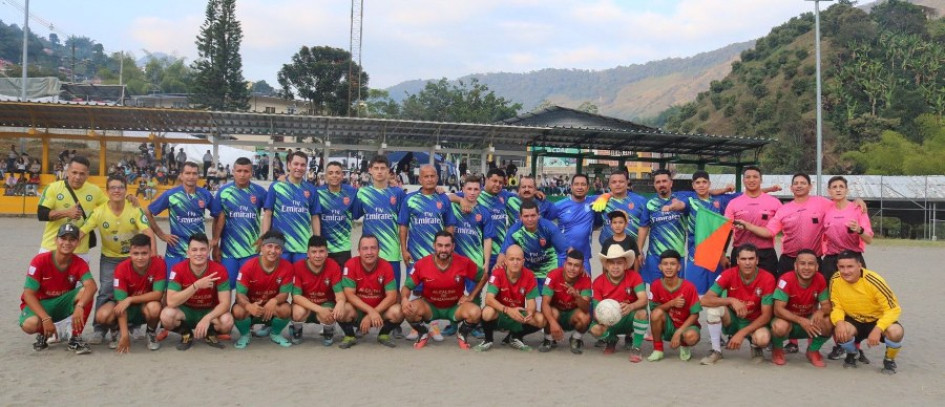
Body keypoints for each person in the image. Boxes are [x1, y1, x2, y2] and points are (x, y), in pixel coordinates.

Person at [79, 175, 155, 344]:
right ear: (107, 191)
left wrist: (154, 258)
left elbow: (148, 232)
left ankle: (134, 325)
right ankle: (99, 328)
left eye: (120, 187)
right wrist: (67, 247)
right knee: (106, 291)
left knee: (136, 291)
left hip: (133, 259)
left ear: (126, 190)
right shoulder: (99, 212)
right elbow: (83, 230)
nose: (117, 190)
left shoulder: (134, 209)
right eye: (113, 187)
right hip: (109, 258)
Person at [18, 224, 97, 354]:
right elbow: (28, 294)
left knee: (86, 292)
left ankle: (75, 338)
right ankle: (44, 334)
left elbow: (92, 286)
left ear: (77, 242)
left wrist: (80, 306)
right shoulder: (40, 260)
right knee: (30, 324)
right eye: (63, 238)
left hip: (61, 303)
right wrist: (45, 318)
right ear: (56, 240)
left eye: (72, 239)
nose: (67, 243)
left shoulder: (79, 262)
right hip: (40, 304)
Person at [401, 231, 484, 349]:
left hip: (455, 306)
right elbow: (407, 287)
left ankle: (462, 333)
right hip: (430, 306)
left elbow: (483, 277)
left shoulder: (464, 262)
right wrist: (404, 299)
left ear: (453, 247)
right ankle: (423, 333)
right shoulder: (421, 264)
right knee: (407, 310)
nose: (443, 249)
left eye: (447, 246)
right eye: (440, 245)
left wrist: (471, 296)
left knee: (475, 313)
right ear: (434, 245)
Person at [699, 244, 775, 365]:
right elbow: (704, 300)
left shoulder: (768, 278)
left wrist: (741, 333)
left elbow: (766, 316)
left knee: (763, 338)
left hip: (754, 321)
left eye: (751, 258)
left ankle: (755, 347)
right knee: (713, 311)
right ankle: (716, 351)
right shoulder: (728, 274)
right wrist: (731, 300)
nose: (747, 263)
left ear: (757, 260)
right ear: (738, 260)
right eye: (744, 259)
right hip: (733, 319)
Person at [829, 251, 904, 374]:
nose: (845, 271)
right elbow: (836, 306)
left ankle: (889, 360)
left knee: (896, 332)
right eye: (841, 267)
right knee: (840, 330)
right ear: (837, 266)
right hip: (854, 320)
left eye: (850, 266)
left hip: (876, 320)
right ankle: (853, 353)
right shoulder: (836, 279)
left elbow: (893, 309)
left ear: (859, 265)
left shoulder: (874, 280)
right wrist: (839, 323)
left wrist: (878, 329)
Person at [160, 233, 234, 351]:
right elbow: (171, 301)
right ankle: (186, 334)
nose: (198, 253)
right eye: (194, 250)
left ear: (208, 250)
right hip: (186, 311)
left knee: (227, 321)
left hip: (209, 310)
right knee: (166, 315)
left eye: (202, 249)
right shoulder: (178, 269)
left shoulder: (219, 270)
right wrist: (196, 286)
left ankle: (210, 333)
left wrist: (207, 318)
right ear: (188, 252)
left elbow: (225, 304)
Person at [93, 234, 165, 353]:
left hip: (143, 305)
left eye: (144, 253)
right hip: (125, 306)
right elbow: (121, 304)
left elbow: (158, 294)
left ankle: (151, 332)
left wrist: (130, 299)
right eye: (136, 253)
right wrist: (125, 336)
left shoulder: (159, 263)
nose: (140, 257)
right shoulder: (121, 268)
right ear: (130, 253)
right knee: (102, 315)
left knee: (155, 307)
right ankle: (116, 332)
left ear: (151, 252)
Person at [352, 155, 406, 304]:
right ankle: (367, 317)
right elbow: (355, 214)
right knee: (368, 288)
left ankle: (393, 323)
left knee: (393, 290)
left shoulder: (397, 193)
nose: (380, 171)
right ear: (370, 170)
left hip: (391, 250)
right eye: (376, 168)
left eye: (383, 168)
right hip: (369, 250)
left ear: (389, 171)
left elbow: (404, 221)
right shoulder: (362, 193)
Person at [146, 162, 214, 275]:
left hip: (198, 251)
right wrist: (161, 235)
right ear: (181, 175)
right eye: (187, 173)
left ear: (198, 176)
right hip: (175, 251)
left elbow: (219, 214)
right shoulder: (171, 195)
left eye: (194, 173)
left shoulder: (205, 194)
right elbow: (148, 212)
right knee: (173, 288)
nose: (191, 177)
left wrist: (215, 239)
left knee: (201, 288)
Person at [36, 156, 107, 263]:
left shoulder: (95, 191)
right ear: (67, 171)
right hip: (51, 248)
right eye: (74, 172)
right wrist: (66, 213)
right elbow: (41, 214)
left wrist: (129, 199)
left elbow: (111, 208)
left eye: (82, 173)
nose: (77, 177)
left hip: (80, 252)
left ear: (87, 174)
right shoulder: (53, 188)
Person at [475, 245, 546, 352]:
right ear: (506, 261)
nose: (515, 262)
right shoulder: (497, 273)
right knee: (487, 312)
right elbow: (489, 299)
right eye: (511, 259)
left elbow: (531, 303)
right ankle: (488, 339)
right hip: (500, 312)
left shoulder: (529, 275)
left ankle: (515, 337)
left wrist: (530, 312)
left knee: (541, 320)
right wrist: (507, 310)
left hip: (518, 313)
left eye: (518, 259)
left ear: (523, 261)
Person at [210, 157, 268, 288]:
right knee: (226, 287)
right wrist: (215, 246)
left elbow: (271, 214)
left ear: (251, 173)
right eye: (239, 171)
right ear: (233, 171)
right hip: (228, 252)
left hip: (251, 251)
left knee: (249, 288)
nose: (242, 174)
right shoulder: (224, 192)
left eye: (246, 171)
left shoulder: (260, 192)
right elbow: (217, 220)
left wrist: (264, 238)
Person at [231, 230, 295, 349]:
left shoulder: (287, 267)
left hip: (271, 308)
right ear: (262, 247)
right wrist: (249, 306)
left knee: (286, 309)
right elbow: (239, 295)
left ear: (281, 251)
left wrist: (274, 300)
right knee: (238, 310)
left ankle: (275, 333)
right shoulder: (248, 266)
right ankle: (245, 334)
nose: (273, 251)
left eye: (277, 247)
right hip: (252, 308)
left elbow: (284, 294)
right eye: (269, 246)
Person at [338, 235, 404, 349]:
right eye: (365, 248)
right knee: (341, 309)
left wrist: (372, 313)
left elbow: (392, 296)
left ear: (379, 250)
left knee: (398, 311)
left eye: (373, 248)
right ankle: (349, 336)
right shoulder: (351, 264)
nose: (369, 252)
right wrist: (370, 311)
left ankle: (383, 335)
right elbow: (349, 294)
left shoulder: (387, 266)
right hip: (358, 311)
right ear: (359, 251)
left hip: (380, 310)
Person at [770, 250, 832, 367]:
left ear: (817, 266)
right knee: (779, 327)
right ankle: (777, 349)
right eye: (802, 263)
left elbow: (827, 305)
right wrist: (801, 320)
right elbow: (778, 310)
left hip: (809, 320)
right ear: (796, 266)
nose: (807, 268)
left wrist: (821, 311)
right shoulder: (786, 279)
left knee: (829, 322)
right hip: (789, 321)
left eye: (811, 264)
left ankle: (813, 350)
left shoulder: (820, 279)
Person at [588, 241, 648, 362]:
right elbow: (596, 309)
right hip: (609, 322)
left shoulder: (635, 277)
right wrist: (604, 316)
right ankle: (611, 339)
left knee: (642, 313)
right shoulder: (598, 282)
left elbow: (644, 299)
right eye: (612, 263)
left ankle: (636, 347)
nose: (615, 267)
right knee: (594, 329)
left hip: (628, 317)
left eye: (619, 263)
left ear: (625, 265)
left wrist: (631, 307)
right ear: (606, 265)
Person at [290, 235, 353, 346]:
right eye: (314, 252)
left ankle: (328, 330)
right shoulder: (298, 267)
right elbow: (296, 297)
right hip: (306, 304)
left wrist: (341, 302)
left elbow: (339, 293)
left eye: (321, 251)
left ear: (327, 253)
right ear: (308, 253)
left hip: (325, 303)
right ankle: (297, 330)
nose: (318, 255)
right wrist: (319, 309)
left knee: (335, 311)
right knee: (297, 312)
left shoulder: (333, 266)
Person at [496, 200, 569, 291]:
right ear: (520, 217)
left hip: (549, 272)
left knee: (547, 303)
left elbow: (566, 251)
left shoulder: (549, 228)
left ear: (538, 215)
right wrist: (498, 269)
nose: (530, 219)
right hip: (528, 274)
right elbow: (503, 253)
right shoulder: (514, 231)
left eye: (533, 215)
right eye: (526, 216)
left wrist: (575, 267)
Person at [261, 151, 319, 263]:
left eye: (302, 165)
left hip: (302, 247)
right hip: (279, 247)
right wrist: (265, 240)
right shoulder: (276, 186)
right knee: (280, 280)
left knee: (300, 280)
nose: (299, 167)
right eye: (295, 164)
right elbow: (268, 215)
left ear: (306, 167)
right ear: (289, 165)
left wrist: (317, 243)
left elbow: (315, 217)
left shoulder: (311, 190)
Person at [723, 166, 782, 275]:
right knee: (739, 289)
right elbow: (725, 230)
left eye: (755, 177)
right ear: (743, 180)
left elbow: (776, 230)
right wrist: (722, 254)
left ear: (761, 179)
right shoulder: (733, 203)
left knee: (767, 288)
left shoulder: (775, 203)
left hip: (766, 254)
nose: (751, 180)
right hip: (741, 252)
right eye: (748, 177)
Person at [647, 250, 702, 362]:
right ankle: (658, 349)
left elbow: (695, 315)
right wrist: (672, 303)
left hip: (686, 326)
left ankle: (684, 346)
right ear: (660, 267)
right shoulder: (655, 285)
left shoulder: (689, 287)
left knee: (691, 336)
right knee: (656, 314)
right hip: (668, 325)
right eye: (665, 264)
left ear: (679, 267)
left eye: (673, 264)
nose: (669, 267)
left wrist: (679, 331)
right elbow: (654, 311)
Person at [398, 165, 455, 271]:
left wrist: (448, 249)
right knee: (415, 286)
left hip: (438, 254)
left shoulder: (443, 199)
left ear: (437, 178)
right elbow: (403, 227)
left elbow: (450, 226)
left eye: (432, 176)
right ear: (420, 179)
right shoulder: (409, 199)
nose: (429, 179)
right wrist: (404, 250)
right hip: (415, 255)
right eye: (426, 176)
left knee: (436, 286)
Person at [637, 169, 690, 283]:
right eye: (658, 182)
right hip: (655, 256)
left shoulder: (682, 200)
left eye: (664, 181)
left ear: (671, 183)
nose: (661, 184)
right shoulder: (650, 204)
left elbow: (683, 205)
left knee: (677, 291)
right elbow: (643, 227)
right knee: (655, 290)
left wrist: (675, 206)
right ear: (655, 185)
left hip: (676, 255)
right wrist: (639, 250)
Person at [539, 250, 592, 354]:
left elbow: (586, 308)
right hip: (556, 312)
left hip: (572, 314)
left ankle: (575, 339)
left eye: (576, 266)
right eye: (569, 264)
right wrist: (553, 323)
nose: (572, 268)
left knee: (585, 317)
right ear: (565, 264)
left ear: (581, 269)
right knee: (550, 313)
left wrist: (577, 296)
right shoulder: (553, 275)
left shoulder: (586, 278)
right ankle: (548, 339)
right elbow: (544, 303)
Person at [822, 175, 873, 280]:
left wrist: (859, 230)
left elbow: (869, 239)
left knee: (858, 292)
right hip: (831, 260)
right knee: (830, 292)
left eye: (841, 186)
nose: (838, 189)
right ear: (829, 191)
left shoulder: (858, 209)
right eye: (834, 187)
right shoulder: (825, 208)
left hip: (853, 257)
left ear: (847, 190)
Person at [314, 161, 361, 267]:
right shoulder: (317, 193)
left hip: (343, 249)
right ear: (326, 176)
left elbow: (358, 212)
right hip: (323, 248)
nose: (334, 175)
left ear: (342, 175)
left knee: (343, 282)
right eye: (330, 173)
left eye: (337, 172)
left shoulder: (352, 192)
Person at [550, 174, 599, 271]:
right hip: (563, 258)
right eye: (576, 184)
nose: (580, 187)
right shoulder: (559, 205)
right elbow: (543, 221)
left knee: (585, 286)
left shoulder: (594, 201)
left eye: (583, 184)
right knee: (561, 286)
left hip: (583, 259)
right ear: (571, 186)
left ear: (588, 187)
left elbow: (611, 195)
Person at [593, 171, 648, 250]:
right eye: (614, 182)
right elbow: (596, 224)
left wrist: (639, 250)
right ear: (609, 184)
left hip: (632, 252)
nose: (617, 184)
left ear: (627, 182)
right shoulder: (601, 201)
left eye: (621, 181)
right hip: (609, 252)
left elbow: (645, 226)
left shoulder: (640, 201)